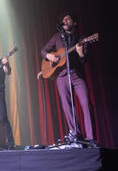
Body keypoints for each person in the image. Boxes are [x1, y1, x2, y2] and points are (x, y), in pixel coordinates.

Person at [41, 13, 96, 145]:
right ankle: (76, 135)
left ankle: (91, 137)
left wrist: (80, 52)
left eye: (68, 18)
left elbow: (84, 60)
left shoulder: (81, 39)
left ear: (74, 23)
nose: (64, 20)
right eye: (63, 19)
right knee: (67, 106)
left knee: (85, 103)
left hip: (77, 75)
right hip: (61, 76)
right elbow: (43, 51)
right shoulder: (57, 36)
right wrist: (50, 56)